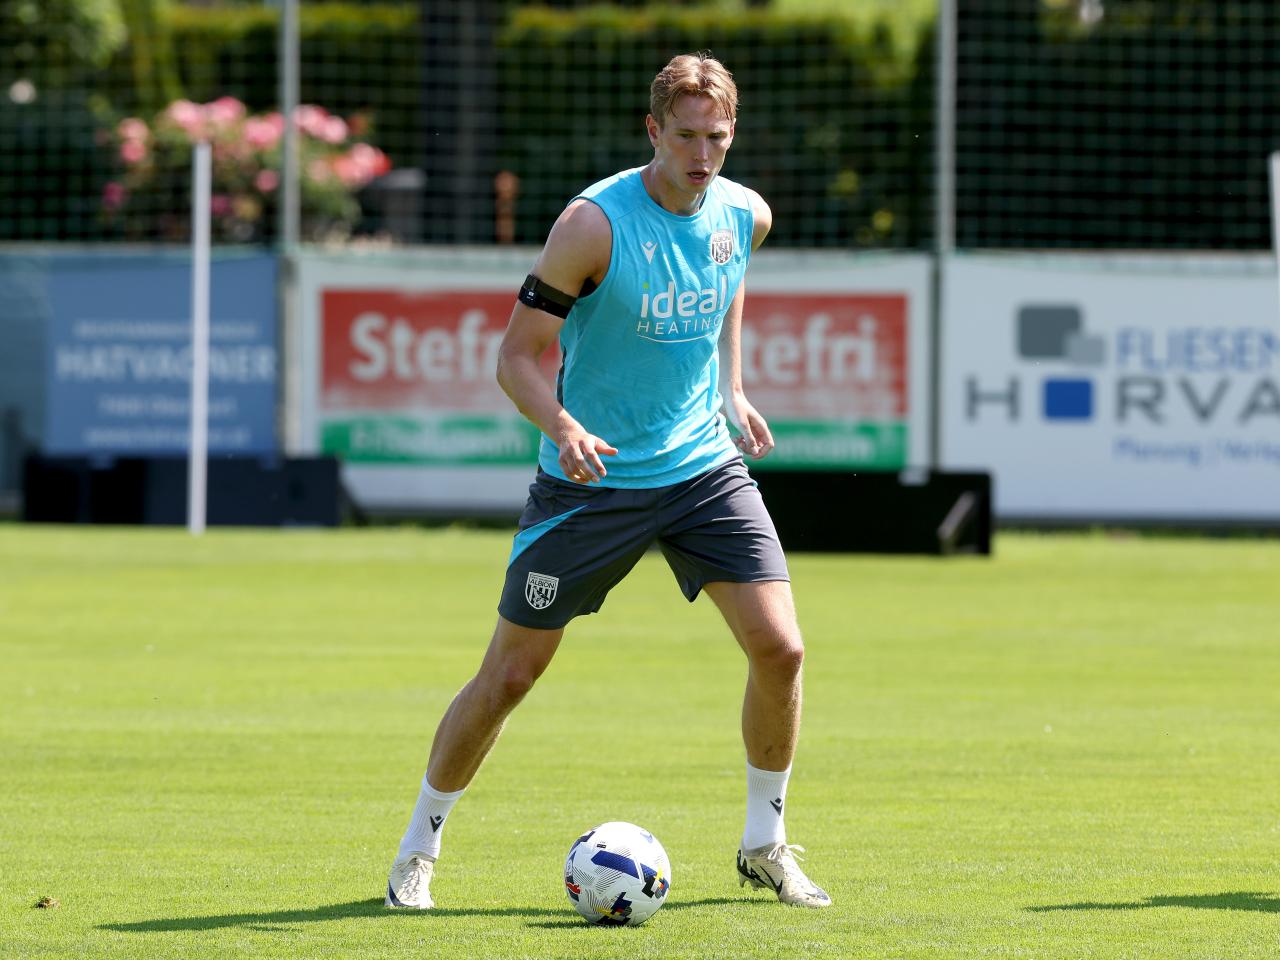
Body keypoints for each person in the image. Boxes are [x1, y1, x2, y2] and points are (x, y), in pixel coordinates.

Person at [386, 52, 830, 912]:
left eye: (719, 136)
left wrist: (731, 387)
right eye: (688, 136)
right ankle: (418, 847)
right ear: (653, 130)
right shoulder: (593, 226)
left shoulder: (746, 214)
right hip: (592, 485)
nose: (704, 154)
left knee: (783, 649)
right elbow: (515, 357)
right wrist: (563, 427)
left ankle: (765, 843)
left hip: (703, 469)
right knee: (508, 678)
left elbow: (728, 278)